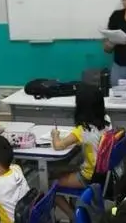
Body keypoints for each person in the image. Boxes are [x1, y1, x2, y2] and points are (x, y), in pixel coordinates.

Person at [49, 84, 116, 213]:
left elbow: (58, 146)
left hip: (89, 176)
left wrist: (55, 135)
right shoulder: (107, 120)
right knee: (61, 170)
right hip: (103, 173)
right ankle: (77, 211)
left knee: (51, 184)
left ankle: (74, 218)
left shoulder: (82, 131)